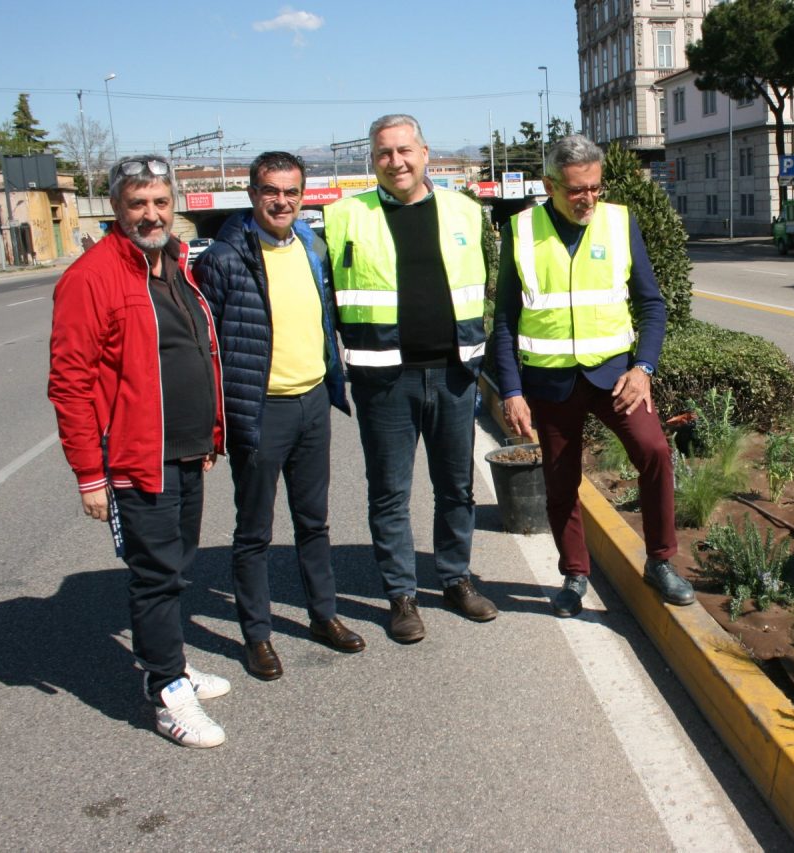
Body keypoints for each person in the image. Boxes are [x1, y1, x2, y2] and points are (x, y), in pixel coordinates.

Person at [49, 155, 229, 748]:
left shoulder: (174, 262)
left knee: (178, 569)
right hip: (133, 457)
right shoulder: (93, 276)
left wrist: (209, 434)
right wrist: (89, 475)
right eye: (136, 204)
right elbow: (70, 382)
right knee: (155, 577)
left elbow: (194, 349)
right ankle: (165, 693)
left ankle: (171, 663)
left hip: (184, 447)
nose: (150, 214)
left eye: (159, 202)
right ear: (116, 209)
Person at [491, 134, 694, 618]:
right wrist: (512, 391)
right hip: (550, 382)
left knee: (655, 451)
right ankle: (575, 574)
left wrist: (643, 369)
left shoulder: (620, 221)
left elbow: (651, 304)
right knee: (561, 484)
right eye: (577, 189)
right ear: (550, 185)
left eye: (595, 188)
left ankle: (661, 561)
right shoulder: (520, 232)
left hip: (616, 376)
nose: (588, 199)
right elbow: (503, 321)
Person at [324, 115, 498, 642]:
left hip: (452, 374)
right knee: (390, 494)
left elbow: (491, 289)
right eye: (383, 154)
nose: (395, 161)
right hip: (383, 382)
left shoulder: (466, 211)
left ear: (425, 152)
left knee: (456, 488)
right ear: (371, 161)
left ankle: (455, 578)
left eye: (404, 150)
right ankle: (401, 595)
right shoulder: (341, 218)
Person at [195, 151, 364, 681]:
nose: (282, 201)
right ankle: (257, 635)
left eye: (292, 192)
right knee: (255, 531)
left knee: (314, 522)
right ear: (252, 193)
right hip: (261, 411)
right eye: (272, 190)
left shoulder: (312, 247)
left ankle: (323, 615)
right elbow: (207, 349)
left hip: (312, 401)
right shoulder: (223, 259)